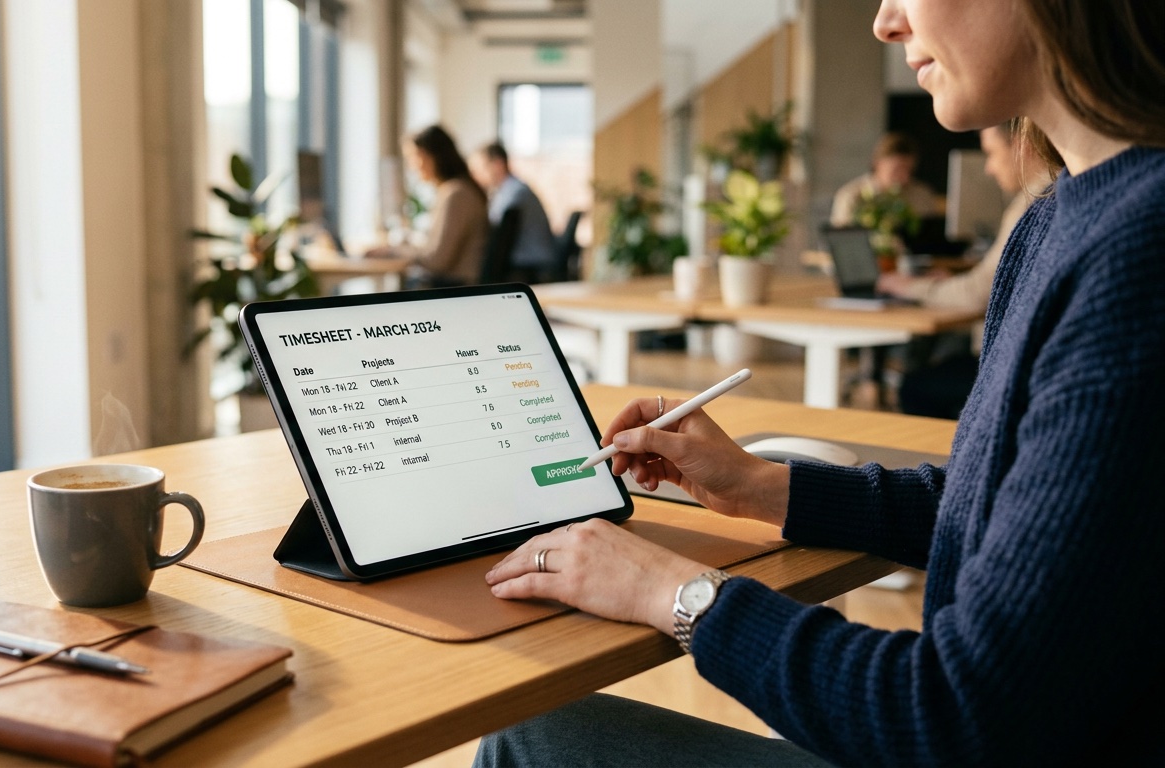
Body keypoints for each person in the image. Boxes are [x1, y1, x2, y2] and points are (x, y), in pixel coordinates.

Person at [478, 0, 1165, 765]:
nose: (886, 21)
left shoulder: (1139, 257)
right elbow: (996, 513)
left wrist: (673, 592)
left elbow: (961, 718)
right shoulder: (1058, 221)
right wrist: (761, 486)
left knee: (535, 741)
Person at [877, 123, 1054, 418]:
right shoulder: (1057, 194)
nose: (988, 168)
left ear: (1023, 145)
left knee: (915, 386)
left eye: (991, 153)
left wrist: (908, 286)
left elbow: (977, 294)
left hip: (1015, 368)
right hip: (1031, 362)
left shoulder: (1034, 206)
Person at [366, 125, 489, 287]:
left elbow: (437, 260)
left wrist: (392, 251)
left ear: (432, 157)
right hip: (452, 284)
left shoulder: (456, 194)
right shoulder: (455, 190)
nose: (411, 166)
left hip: (454, 288)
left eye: (413, 157)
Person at [472, 142, 557, 282]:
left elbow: (494, 226)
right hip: (527, 262)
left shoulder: (514, 192)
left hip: (531, 265)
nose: (477, 176)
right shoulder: (508, 190)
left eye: (480, 169)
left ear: (498, 164)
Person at [829, 132, 943, 228]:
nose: (904, 177)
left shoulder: (921, 195)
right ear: (877, 164)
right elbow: (841, 242)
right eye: (897, 170)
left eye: (909, 170)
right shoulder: (851, 196)